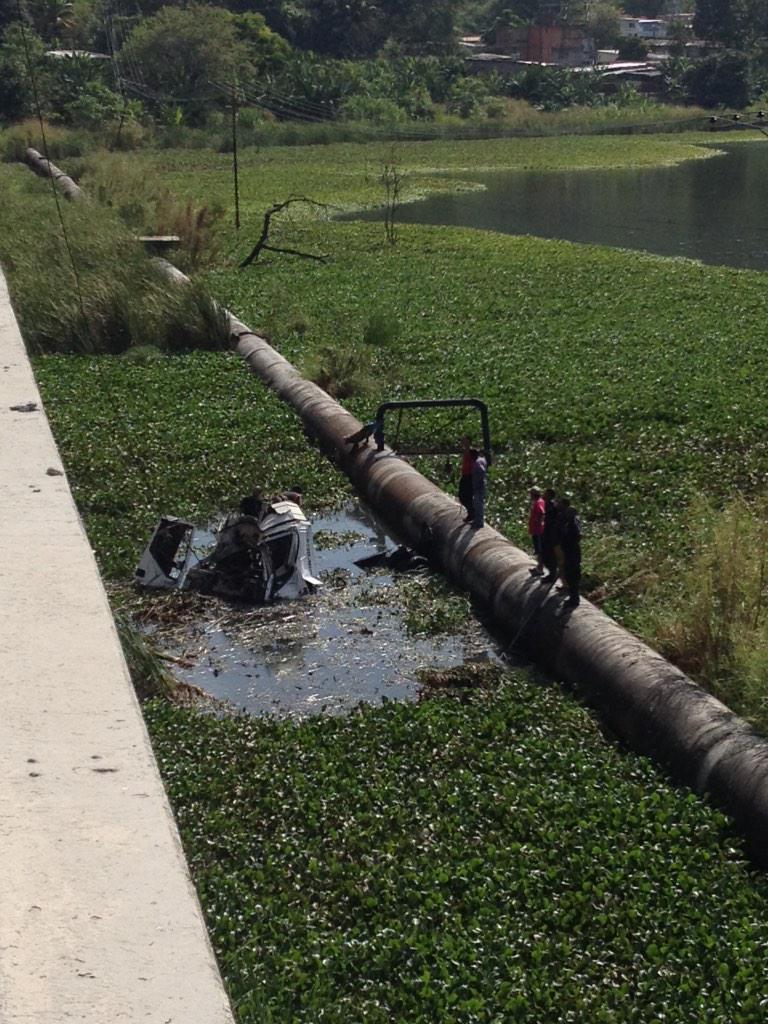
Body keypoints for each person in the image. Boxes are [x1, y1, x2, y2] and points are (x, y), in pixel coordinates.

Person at [558, 495, 582, 607]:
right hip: (568, 552)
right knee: (569, 574)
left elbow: (577, 535)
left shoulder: (573, 523)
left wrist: (570, 544)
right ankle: (572, 596)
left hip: (573, 553)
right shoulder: (566, 521)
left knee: (573, 575)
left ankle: (574, 598)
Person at [541, 488, 560, 583]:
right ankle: (552, 573)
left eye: (545, 494)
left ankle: (552, 574)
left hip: (550, 534)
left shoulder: (551, 505)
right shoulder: (553, 504)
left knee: (548, 554)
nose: (543, 495)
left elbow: (550, 520)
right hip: (551, 533)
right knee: (549, 554)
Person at [528, 487, 546, 573]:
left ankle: (540, 568)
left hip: (538, 530)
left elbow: (542, 513)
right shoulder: (540, 501)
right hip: (536, 529)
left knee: (539, 550)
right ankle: (539, 566)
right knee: (538, 550)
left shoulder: (538, 502)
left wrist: (538, 521)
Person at [458, 435, 475, 522]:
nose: (463, 442)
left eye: (465, 440)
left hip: (470, 477)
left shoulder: (473, 451)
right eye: (462, 440)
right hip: (465, 476)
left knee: (467, 496)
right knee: (462, 496)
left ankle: (472, 513)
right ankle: (471, 513)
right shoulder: (465, 451)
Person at [471, 449, 488, 528]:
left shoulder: (477, 462)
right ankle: (477, 520)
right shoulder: (482, 460)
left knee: (478, 504)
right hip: (481, 485)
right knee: (478, 503)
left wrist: (477, 481)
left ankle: (479, 523)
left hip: (479, 486)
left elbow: (481, 470)